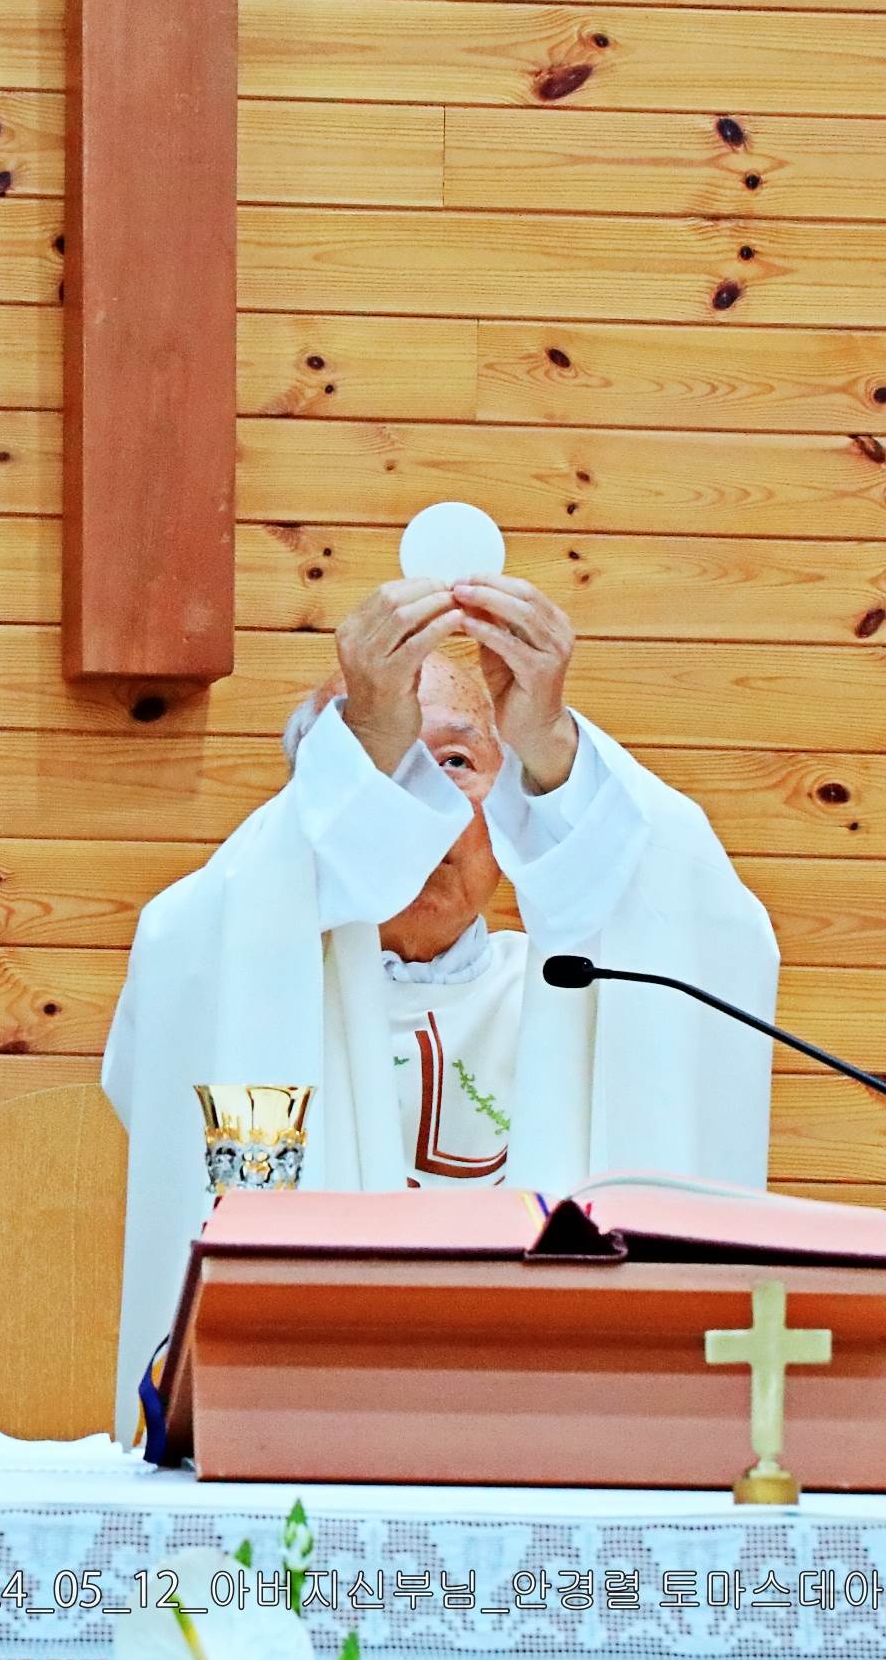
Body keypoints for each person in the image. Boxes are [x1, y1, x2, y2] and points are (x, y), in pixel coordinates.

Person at [99, 573, 779, 1437]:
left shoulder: (582, 996)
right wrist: (363, 740)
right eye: (384, 763)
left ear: (513, 797)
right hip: (306, 1433)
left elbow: (703, 931)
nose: (421, 811)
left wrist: (554, 746)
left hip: (557, 1430)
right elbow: (182, 964)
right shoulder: (240, 967)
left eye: (456, 763)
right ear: (317, 801)